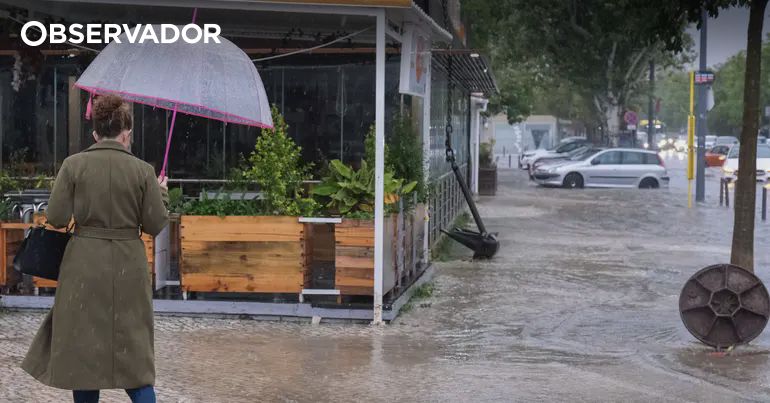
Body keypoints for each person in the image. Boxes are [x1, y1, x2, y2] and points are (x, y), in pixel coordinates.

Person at [21, 94, 169, 403]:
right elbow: (155, 225)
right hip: (129, 266)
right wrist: (161, 194)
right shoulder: (142, 171)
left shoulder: (74, 165)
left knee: (84, 360)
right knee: (135, 360)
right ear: (126, 133)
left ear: (95, 132)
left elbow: (58, 217)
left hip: (83, 265)